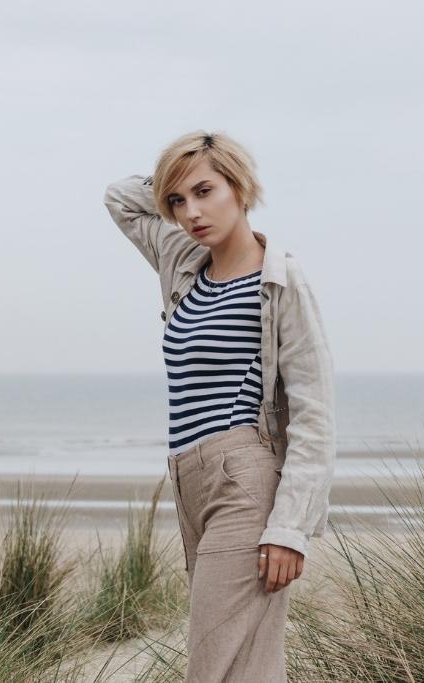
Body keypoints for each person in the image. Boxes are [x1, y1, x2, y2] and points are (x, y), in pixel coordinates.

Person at [103, 130, 335, 682]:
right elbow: (118, 196)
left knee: (209, 662)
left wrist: (289, 528)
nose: (191, 213)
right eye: (177, 201)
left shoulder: (279, 279)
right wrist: (171, 178)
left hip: (244, 477)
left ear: (241, 187)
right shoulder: (183, 260)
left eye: (206, 191)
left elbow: (315, 412)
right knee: (247, 667)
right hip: (189, 477)